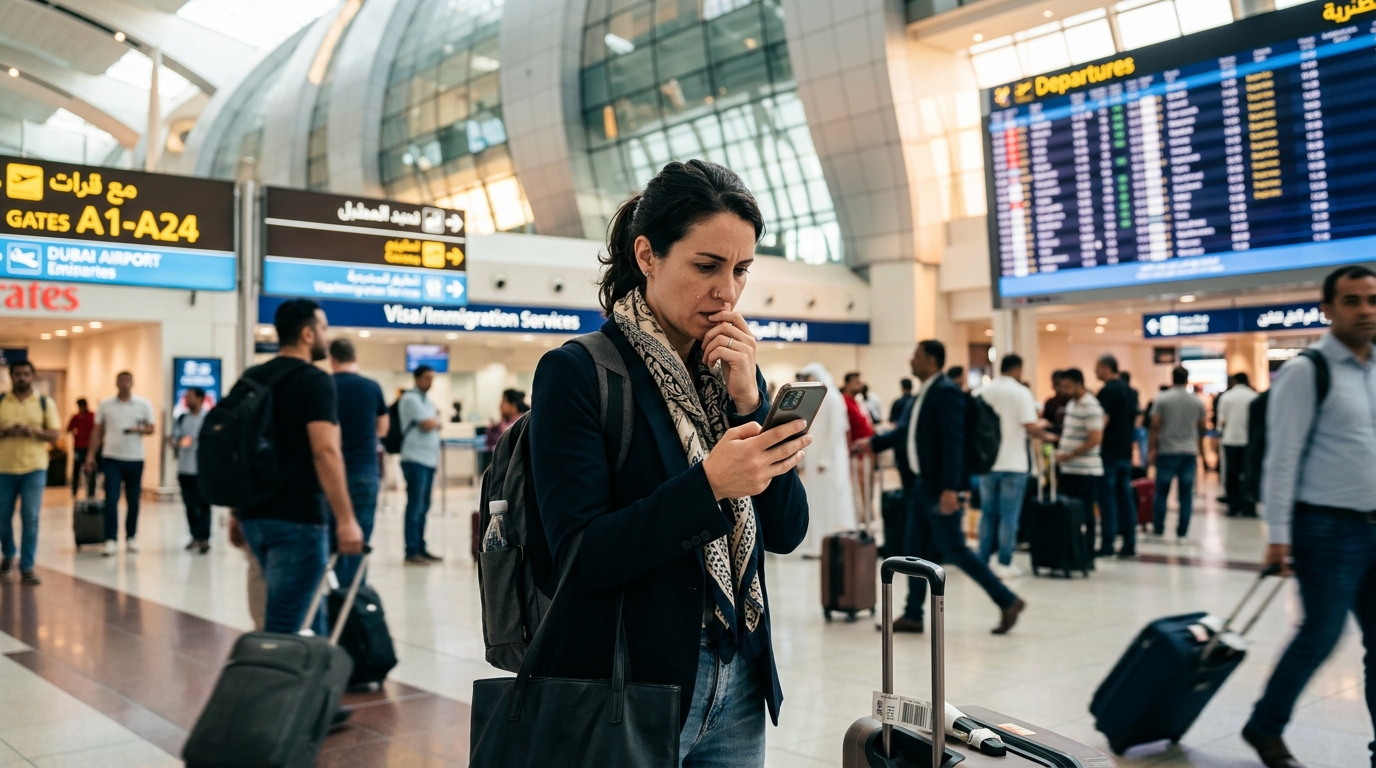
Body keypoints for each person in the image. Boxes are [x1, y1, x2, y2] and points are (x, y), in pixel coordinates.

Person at [527, 160, 810, 765]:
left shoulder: (734, 375)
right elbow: (579, 555)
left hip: (740, 677)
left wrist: (750, 405)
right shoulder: (580, 373)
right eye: (706, 267)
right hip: (629, 685)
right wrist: (707, 486)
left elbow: (787, 530)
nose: (726, 291)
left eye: (740, 271)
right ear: (648, 255)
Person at [1244, 266, 1376, 768]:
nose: (1365, 309)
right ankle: (1265, 726)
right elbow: (1282, 457)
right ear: (1328, 310)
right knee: (1322, 633)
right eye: (1352, 301)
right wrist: (1277, 535)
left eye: (1372, 299)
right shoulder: (1308, 371)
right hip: (1326, 528)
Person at [867, 340, 1025, 635]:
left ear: (930, 359)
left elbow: (955, 443)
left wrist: (951, 489)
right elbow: (906, 433)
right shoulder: (924, 393)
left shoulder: (945, 392)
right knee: (913, 551)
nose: (910, 361)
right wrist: (872, 444)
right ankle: (913, 614)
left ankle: (1007, 599)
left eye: (915, 356)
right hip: (920, 487)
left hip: (939, 488)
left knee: (955, 549)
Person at [227, 299, 364, 636]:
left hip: (255, 516)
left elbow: (239, 449)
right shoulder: (314, 381)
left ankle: (309, 686)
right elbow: (326, 451)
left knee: (296, 615)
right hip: (298, 519)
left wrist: (236, 511)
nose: (325, 336)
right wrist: (346, 520)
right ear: (306, 333)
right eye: (322, 329)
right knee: (290, 624)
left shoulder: (253, 377)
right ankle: (280, 684)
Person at [972, 354, 1042, 577]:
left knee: (987, 513)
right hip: (1014, 462)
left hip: (986, 462)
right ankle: (1004, 561)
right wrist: (1047, 434)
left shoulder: (981, 392)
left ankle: (983, 558)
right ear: (1018, 369)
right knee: (1009, 515)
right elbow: (1030, 425)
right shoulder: (1021, 392)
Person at [329, 338, 388, 587]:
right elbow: (383, 428)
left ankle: (333, 595)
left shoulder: (326, 386)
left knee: (333, 539)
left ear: (332, 359)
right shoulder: (371, 387)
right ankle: (354, 596)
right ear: (355, 358)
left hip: (332, 473)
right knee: (358, 538)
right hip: (364, 471)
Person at [0, 360, 60, 585]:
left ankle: (27, 565)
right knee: (2, 518)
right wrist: (5, 432)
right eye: (18, 374)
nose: (22, 378)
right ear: (11, 376)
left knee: (30, 517)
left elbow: (55, 434)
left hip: (34, 468)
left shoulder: (44, 402)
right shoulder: (1, 401)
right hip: (4, 468)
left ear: (32, 376)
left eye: (26, 374)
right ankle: (8, 553)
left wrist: (34, 432)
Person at [84, 372, 155, 556]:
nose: (124, 383)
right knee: (111, 498)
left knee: (133, 500)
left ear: (132, 382)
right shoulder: (106, 405)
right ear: (116, 382)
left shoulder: (143, 404)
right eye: (121, 380)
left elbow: (151, 428)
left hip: (135, 458)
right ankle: (110, 539)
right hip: (112, 458)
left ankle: (131, 536)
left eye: (127, 380)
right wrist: (91, 455)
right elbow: (97, 431)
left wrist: (138, 429)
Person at [796, 363, 855, 558]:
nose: (809, 382)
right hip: (815, 461)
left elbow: (836, 431)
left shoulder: (833, 398)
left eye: (811, 377)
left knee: (830, 502)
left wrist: (824, 459)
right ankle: (817, 543)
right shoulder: (816, 399)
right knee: (817, 501)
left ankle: (829, 544)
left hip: (829, 462)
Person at [1149, 366, 1207, 539]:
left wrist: (1152, 449)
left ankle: (1158, 527)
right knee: (1186, 493)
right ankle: (1182, 530)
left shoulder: (1162, 399)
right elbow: (1202, 427)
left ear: (1172, 379)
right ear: (1187, 379)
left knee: (1161, 491)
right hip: (1188, 452)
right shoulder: (1196, 401)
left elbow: (1155, 426)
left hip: (1167, 451)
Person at [1055, 368, 1105, 561]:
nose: (1065, 390)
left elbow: (1095, 439)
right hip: (1069, 469)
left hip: (1086, 471)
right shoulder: (1072, 405)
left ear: (1079, 383)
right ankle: (1071, 549)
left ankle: (1087, 551)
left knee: (1085, 514)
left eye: (1068, 386)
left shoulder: (1091, 406)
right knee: (1068, 513)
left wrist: (1071, 454)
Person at [1096, 354, 1139, 558]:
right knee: (1126, 498)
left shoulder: (1107, 391)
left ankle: (1108, 542)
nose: (1095, 371)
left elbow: (1102, 421)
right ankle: (1129, 542)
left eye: (1097, 367)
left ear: (1106, 367)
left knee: (1108, 499)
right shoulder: (1130, 391)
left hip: (1109, 451)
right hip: (1125, 451)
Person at [399, 365, 443, 565]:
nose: (430, 382)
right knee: (415, 505)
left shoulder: (426, 400)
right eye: (426, 378)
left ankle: (421, 547)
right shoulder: (410, 399)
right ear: (416, 379)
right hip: (414, 459)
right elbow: (427, 424)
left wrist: (435, 419)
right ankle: (412, 550)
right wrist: (436, 419)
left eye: (432, 378)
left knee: (424, 506)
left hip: (428, 459)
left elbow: (434, 420)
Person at [168, 387, 212, 553]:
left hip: (202, 469)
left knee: (204, 504)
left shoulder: (208, 418)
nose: (187, 400)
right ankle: (195, 536)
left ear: (200, 399)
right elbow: (174, 438)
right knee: (190, 504)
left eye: (191, 397)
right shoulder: (182, 418)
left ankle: (204, 538)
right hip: (185, 468)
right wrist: (177, 442)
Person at [1216, 372, 1259, 518]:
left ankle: (1233, 505)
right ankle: (1248, 504)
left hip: (1231, 440)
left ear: (1234, 381)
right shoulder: (1253, 396)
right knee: (1248, 474)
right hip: (1248, 441)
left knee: (1232, 474)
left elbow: (1221, 421)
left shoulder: (1226, 397)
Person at [66, 398, 96, 497]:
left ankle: (91, 492)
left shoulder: (92, 416)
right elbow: (69, 429)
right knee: (76, 469)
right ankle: (74, 491)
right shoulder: (76, 417)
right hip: (79, 446)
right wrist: (76, 433)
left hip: (90, 446)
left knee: (91, 470)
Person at [840, 373, 874, 444]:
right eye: (857, 383)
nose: (860, 385)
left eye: (861, 383)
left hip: (864, 446)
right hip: (854, 447)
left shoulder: (857, 401)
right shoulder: (843, 402)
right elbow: (844, 429)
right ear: (847, 384)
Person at [1043, 370, 1070, 436]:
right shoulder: (1050, 403)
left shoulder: (1072, 402)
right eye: (1055, 384)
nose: (1057, 387)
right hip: (1054, 437)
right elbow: (1046, 423)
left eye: (1059, 384)